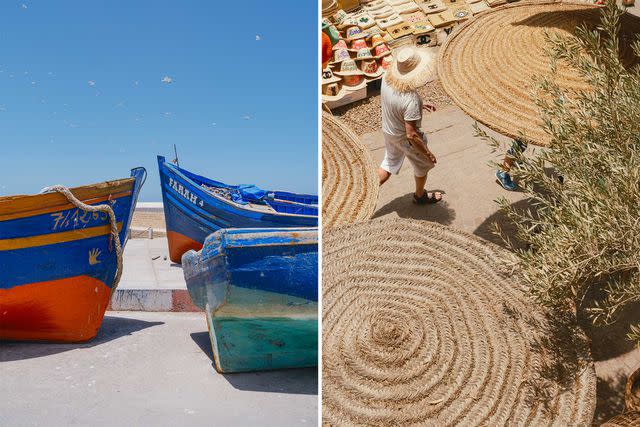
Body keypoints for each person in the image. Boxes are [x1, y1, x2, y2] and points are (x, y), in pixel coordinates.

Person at [378, 47, 441, 204]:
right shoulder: (410, 100)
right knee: (422, 166)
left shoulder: (387, 76)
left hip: (389, 130)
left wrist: (420, 103)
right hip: (404, 139)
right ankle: (420, 196)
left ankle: (364, 194)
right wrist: (428, 153)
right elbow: (411, 134)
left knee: (388, 164)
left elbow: (397, 103)